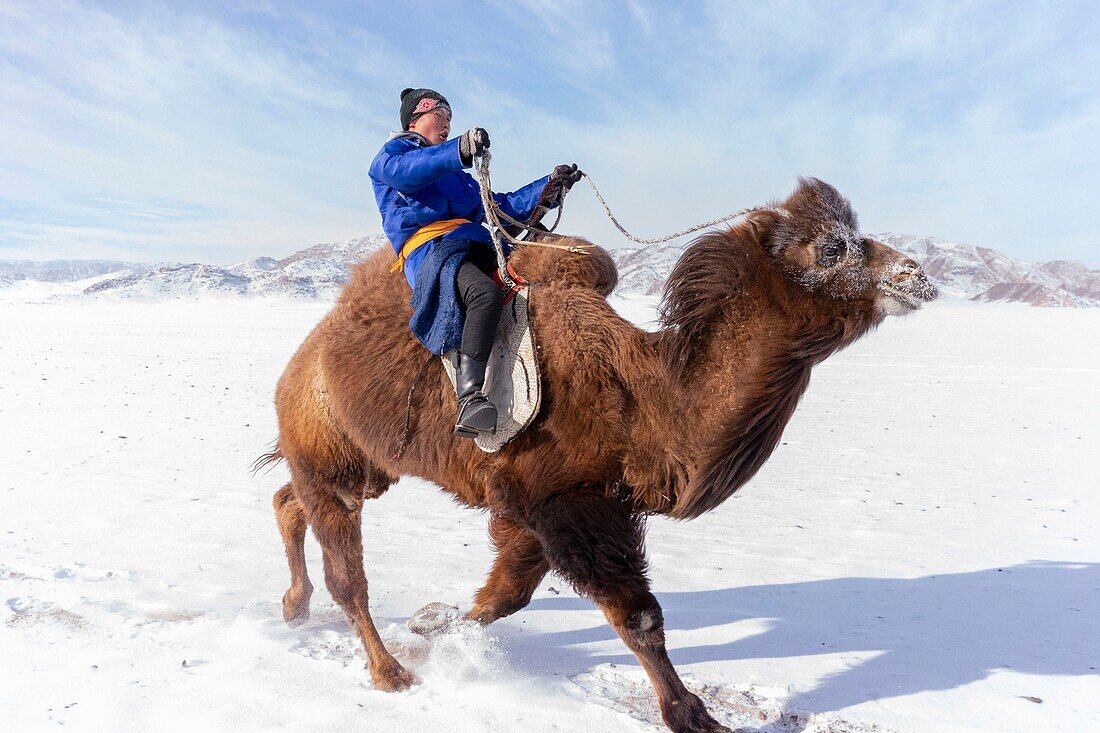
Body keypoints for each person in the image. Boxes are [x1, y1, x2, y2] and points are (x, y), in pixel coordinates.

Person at [370, 88, 582, 439]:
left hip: (473, 242)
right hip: (432, 250)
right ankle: (470, 398)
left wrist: (547, 188)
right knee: (483, 292)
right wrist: (458, 151)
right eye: (443, 116)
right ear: (418, 115)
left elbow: (496, 209)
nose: (447, 124)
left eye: (451, 120)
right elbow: (406, 172)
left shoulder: (452, 173)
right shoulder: (393, 156)